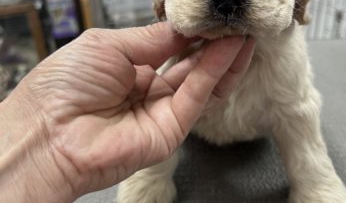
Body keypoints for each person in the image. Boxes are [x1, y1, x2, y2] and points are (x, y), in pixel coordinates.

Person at [0, 22, 255, 202]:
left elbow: (296, 115)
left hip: (254, 144)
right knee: (166, 98)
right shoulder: (175, 47)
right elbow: (160, 106)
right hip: (194, 138)